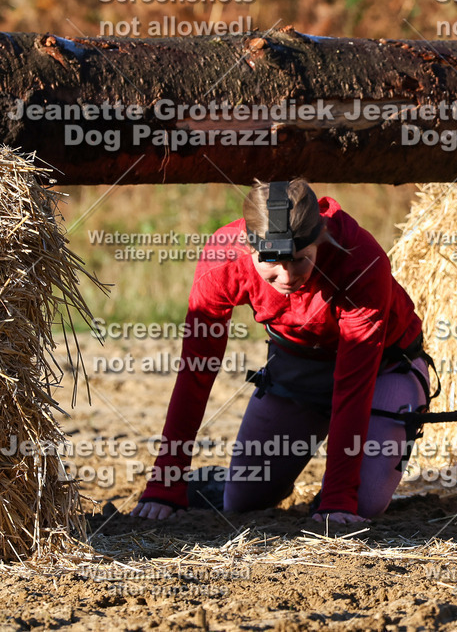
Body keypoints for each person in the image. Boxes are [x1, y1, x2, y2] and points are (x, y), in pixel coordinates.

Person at [130, 179, 431, 525]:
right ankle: (216, 482)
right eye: (272, 262)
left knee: (363, 504)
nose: (287, 276)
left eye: (301, 260)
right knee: (244, 501)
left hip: (383, 369)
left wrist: (338, 498)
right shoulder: (223, 259)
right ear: (248, 247)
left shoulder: (360, 260)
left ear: (321, 240)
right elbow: (195, 372)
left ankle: (342, 487)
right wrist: (165, 482)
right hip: (297, 367)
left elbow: (353, 386)